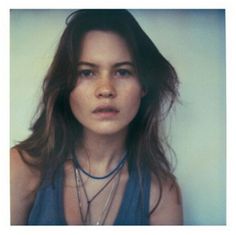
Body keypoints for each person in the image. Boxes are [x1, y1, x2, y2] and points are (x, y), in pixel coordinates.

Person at [10, 9, 183, 225]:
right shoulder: (19, 169)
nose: (106, 90)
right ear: (66, 86)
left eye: (122, 72)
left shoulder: (162, 193)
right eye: (87, 72)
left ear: (144, 86)